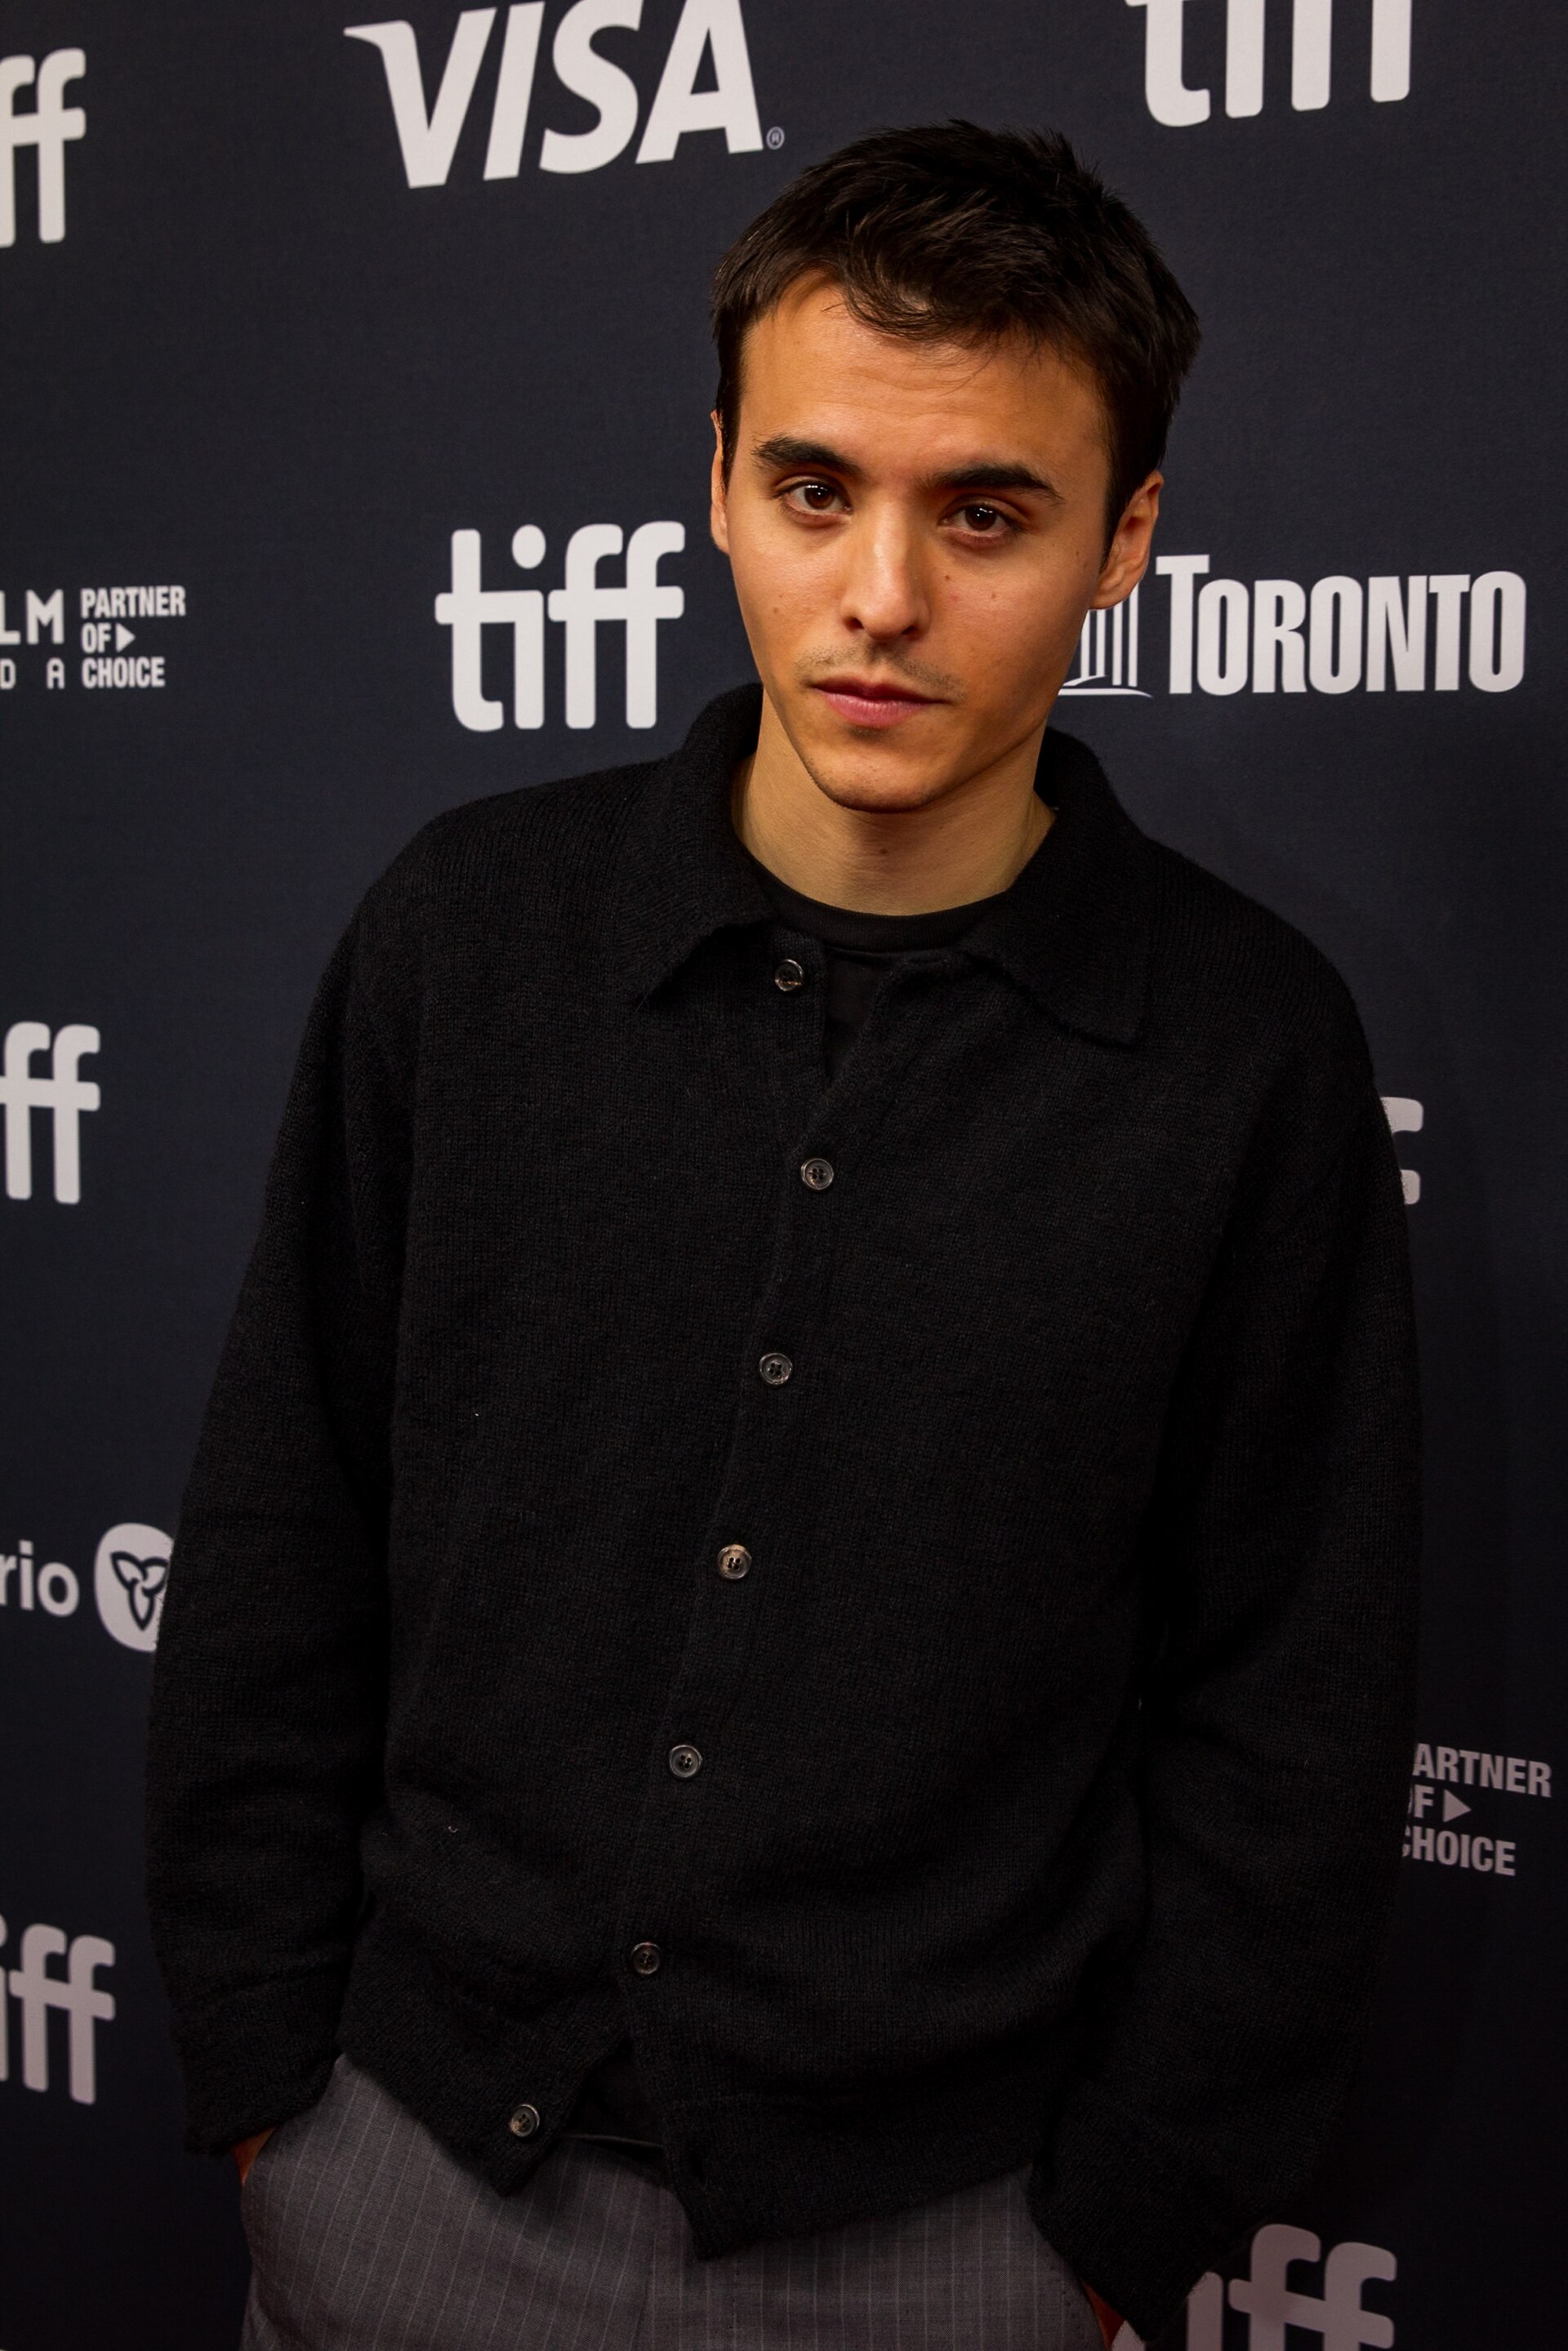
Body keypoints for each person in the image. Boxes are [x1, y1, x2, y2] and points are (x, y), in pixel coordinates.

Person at [145, 122, 1420, 2351]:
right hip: (399, 2184)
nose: (884, 599)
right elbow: (284, 1521)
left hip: (946, 2248)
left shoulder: (1247, 1053)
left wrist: (1118, 2225)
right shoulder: (470, 935)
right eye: (818, 490)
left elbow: (1289, 1719)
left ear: (1127, 540)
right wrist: (270, 2079)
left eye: (990, 514)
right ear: (722, 478)